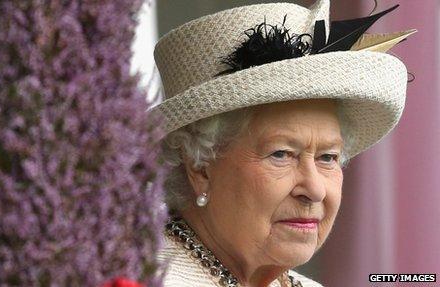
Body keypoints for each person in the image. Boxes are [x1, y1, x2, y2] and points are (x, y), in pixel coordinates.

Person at [150, 0, 415, 286]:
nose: (314, 190)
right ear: (199, 166)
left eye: (328, 157)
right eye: (282, 154)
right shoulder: (142, 278)